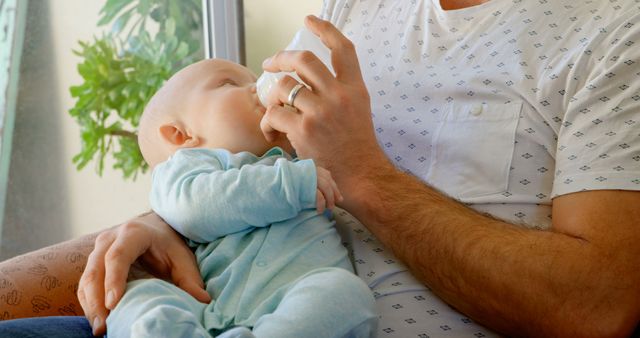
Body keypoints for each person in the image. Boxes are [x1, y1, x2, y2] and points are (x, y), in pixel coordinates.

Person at [0, 0, 639, 337]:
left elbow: (598, 305)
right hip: (213, 309)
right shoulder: (349, 10)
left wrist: (360, 174)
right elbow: (250, 152)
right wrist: (167, 220)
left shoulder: (615, 34)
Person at [104, 57, 377, 337]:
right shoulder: (186, 168)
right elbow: (194, 209)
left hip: (293, 306)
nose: (255, 87)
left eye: (253, 80)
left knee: (345, 293)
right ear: (180, 135)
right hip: (209, 311)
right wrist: (291, 183)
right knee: (138, 296)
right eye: (229, 83)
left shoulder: (298, 158)